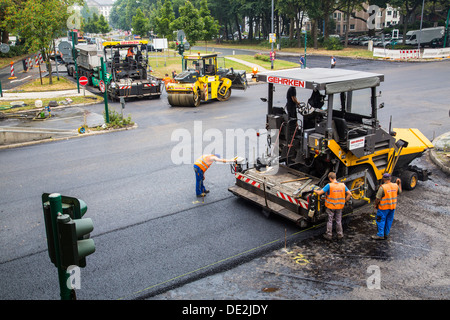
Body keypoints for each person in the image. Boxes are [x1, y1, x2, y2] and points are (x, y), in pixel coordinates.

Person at [315, 172, 352, 241]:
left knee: (330, 220)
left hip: (331, 206)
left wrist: (315, 190)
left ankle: (329, 235)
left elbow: (320, 193)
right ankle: (340, 234)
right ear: (335, 177)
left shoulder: (329, 185)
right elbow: (350, 194)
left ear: (330, 178)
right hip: (339, 206)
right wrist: (345, 201)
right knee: (338, 220)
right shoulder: (342, 185)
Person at [372, 173, 402, 240]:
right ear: (390, 178)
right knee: (389, 220)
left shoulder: (383, 187)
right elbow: (399, 192)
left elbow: (378, 198)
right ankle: (386, 234)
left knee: (380, 220)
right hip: (392, 207)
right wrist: (399, 183)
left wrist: (376, 205)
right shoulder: (395, 185)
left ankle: (380, 234)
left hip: (383, 208)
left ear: (383, 179)